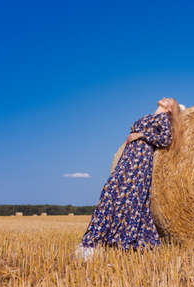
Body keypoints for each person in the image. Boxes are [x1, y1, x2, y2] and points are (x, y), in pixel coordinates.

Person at [75, 97, 185, 260]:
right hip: (129, 157)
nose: (165, 98)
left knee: (118, 195)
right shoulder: (151, 117)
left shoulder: (163, 119)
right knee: (113, 193)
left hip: (139, 160)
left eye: (169, 100)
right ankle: (109, 239)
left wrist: (140, 134)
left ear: (169, 109)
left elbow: (165, 140)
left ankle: (95, 243)